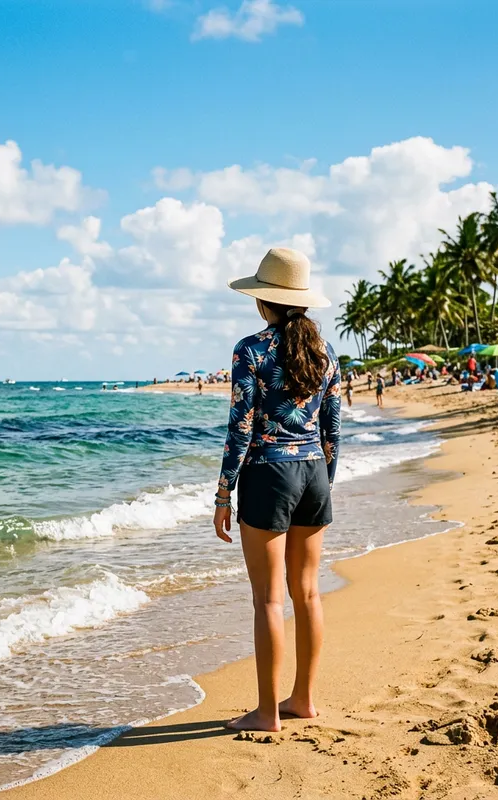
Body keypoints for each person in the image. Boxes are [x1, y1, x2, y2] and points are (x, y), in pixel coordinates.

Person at [212, 247, 340, 733]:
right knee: (307, 593)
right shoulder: (326, 354)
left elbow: (240, 429)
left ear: (264, 301)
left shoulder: (251, 350)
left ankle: (267, 713)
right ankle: (303, 700)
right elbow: (332, 429)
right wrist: (326, 484)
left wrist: (224, 494)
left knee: (268, 600)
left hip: (268, 476)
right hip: (314, 475)